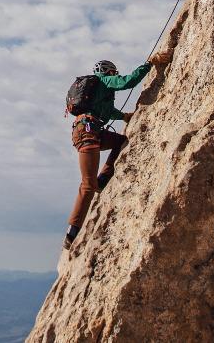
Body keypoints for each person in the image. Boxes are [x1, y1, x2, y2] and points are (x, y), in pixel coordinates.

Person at [63, 51, 170, 248]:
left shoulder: (97, 94)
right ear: (107, 71)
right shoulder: (104, 80)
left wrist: (124, 117)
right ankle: (72, 233)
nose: (114, 75)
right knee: (87, 185)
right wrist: (148, 65)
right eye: (112, 72)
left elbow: (107, 111)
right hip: (88, 131)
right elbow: (127, 82)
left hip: (89, 130)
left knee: (121, 141)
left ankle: (102, 181)